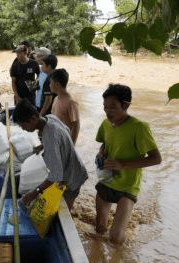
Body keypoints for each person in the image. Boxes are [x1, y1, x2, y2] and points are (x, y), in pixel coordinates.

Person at [94, 84, 162, 244]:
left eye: (112, 107)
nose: (107, 112)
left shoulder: (139, 127)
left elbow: (156, 158)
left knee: (116, 236)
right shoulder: (105, 124)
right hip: (106, 178)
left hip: (127, 186)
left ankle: (121, 260)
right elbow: (104, 143)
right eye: (105, 107)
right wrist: (101, 152)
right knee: (99, 228)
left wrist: (122, 165)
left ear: (126, 105)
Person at [14, 99, 88, 212]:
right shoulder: (50, 118)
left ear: (33, 119)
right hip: (75, 167)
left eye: (23, 125)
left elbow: (55, 176)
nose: (24, 129)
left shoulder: (50, 136)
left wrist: (35, 192)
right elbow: (66, 130)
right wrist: (44, 145)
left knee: (63, 212)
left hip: (72, 179)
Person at [49, 69, 80, 144]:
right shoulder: (56, 99)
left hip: (65, 142)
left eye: (50, 82)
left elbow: (76, 126)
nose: (49, 85)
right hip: (56, 140)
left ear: (57, 84)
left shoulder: (71, 103)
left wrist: (71, 145)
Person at [33, 47, 51, 112]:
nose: (37, 59)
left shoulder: (49, 72)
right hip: (39, 103)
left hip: (45, 108)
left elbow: (49, 99)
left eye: (39, 57)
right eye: (36, 56)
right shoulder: (42, 68)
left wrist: (41, 114)